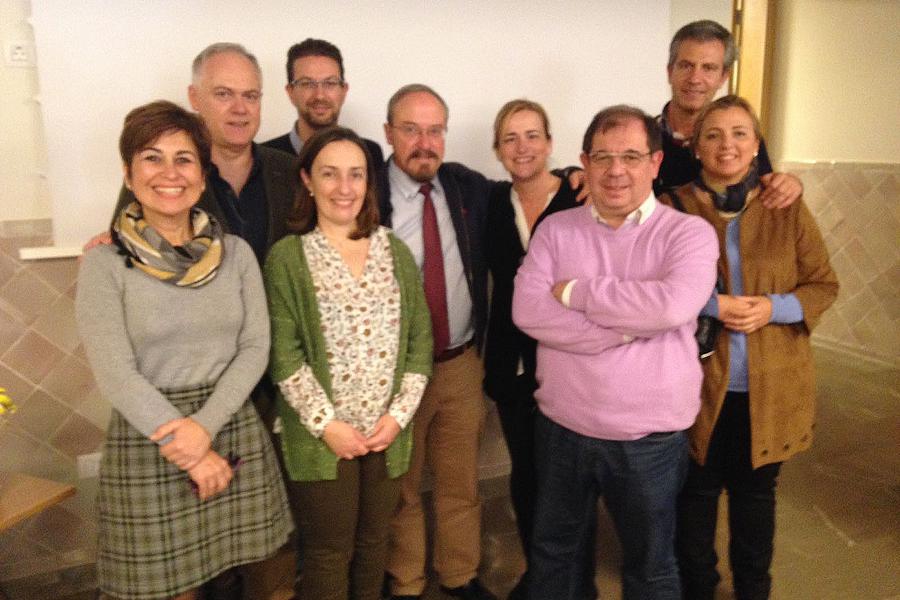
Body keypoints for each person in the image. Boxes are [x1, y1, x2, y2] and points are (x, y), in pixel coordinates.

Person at [76, 100, 292, 600]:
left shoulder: (235, 253)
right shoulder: (104, 264)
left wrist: (206, 427)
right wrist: (190, 449)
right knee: (169, 589)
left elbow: (256, 346)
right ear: (129, 174)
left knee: (246, 571)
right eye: (152, 158)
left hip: (230, 423)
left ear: (202, 174)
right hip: (152, 438)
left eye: (184, 159)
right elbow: (115, 373)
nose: (169, 173)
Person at [512, 105, 719, 600]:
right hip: (563, 428)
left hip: (648, 438)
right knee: (555, 555)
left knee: (650, 566)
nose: (616, 170)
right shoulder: (556, 230)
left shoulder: (687, 234)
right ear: (584, 162)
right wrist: (630, 328)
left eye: (630, 155)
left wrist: (578, 293)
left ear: (655, 162)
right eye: (602, 157)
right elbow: (527, 312)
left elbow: (671, 305)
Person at [667, 95, 838, 600]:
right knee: (694, 498)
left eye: (740, 133)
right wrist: (711, 304)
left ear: (757, 145)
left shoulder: (786, 206)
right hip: (698, 385)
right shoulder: (672, 207)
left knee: (756, 499)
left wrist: (773, 308)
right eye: (714, 134)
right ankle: (698, 587)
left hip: (772, 385)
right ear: (696, 147)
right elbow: (652, 287)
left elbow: (822, 285)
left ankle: (753, 590)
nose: (728, 145)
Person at [263, 126, 433, 600]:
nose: (344, 187)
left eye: (355, 175)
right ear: (307, 180)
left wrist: (398, 418)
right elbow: (285, 355)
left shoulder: (392, 251)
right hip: (324, 438)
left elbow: (420, 341)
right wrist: (327, 426)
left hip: (385, 433)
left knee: (374, 541)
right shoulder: (288, 258)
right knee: (328, 551)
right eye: (330, 174)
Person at [378, 84, 496, 600]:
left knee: (459, 482)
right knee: (400, 488)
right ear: (388, 134)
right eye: (411, 129)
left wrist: (572, 176)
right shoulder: (366, 192)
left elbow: (526, 186)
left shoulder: (465, 187)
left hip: (459, 363)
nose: (424, 142)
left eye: (434, 130)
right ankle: (406, 582)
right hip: (393, 371)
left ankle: (460, 575)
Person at [483, 99, 581, 600]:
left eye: (531, 135)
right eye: (510, 138)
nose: (522, 147)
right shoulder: (491, 205)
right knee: (527, 474)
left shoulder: (579, 198)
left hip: (570, 365)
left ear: (549, 143)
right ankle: (541, 577)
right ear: (498, 150)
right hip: (512, 365)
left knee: (568, 481)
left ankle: (573, 583)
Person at [656, 19, 802, 210]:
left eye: (708, 68)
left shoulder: (741, 142)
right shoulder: (643, 138)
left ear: (723, 77)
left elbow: (771, 191)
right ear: (669, 72)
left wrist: (791, 185)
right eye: (686, 66)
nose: (695, 79)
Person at [263, 38, 383, 165]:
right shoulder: (264, 158)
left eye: (330, 83)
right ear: (290, 92)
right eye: (307, 84)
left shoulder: (369, 154)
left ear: (344, 91)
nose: (319, 95)